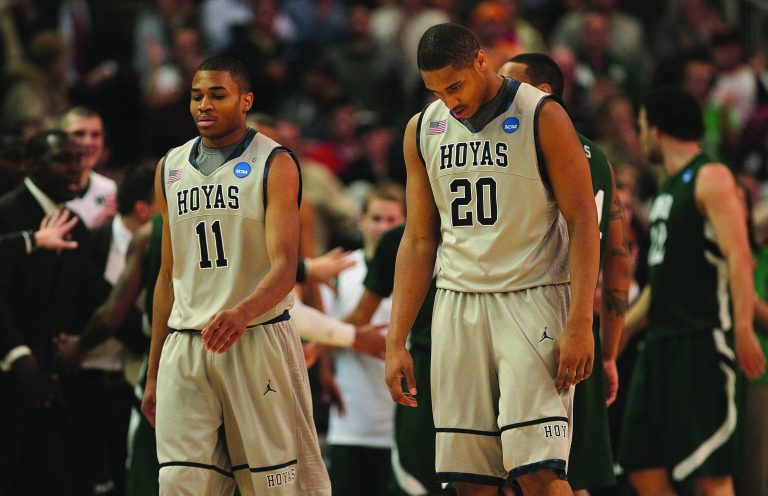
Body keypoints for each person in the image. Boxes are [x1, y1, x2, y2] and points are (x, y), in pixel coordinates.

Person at [385, 23, 600, 496]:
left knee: (539, 472)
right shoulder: (423, 129)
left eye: (455, 85)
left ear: (481, 60)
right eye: (436, 90)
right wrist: (396, 338)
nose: (448, 100)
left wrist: (581, 320)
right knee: (469, 479)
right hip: (457, 305)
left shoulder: (541, 114)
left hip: (533, 299)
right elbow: (419, 240)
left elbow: (584, 221)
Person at [140, 55, 330, 495]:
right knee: (180, 484)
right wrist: (152, 374)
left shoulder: (275, 162)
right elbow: (168, 276)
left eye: (217, 95)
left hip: (255, 337)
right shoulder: (169, 167)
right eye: (196, 96)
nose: (203, 105)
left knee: (273, 486)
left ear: (246, 100)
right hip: (186, 344)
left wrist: (241, 313)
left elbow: (285, 268)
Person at [618, 88, 766, 496]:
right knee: (642, 465)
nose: (642, 136)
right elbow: (660, 282)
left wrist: (742, 329)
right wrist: (621, 330)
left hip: (701, 341)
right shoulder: (668, 188)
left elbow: (739, 257)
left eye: (643, 126)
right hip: (660, 343)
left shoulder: (711, 176)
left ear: (658, 128)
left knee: (711, 475)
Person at [500, 53, 632, 495]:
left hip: (530, 318)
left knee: (532, 473)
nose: (497, 90)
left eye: (508, 82)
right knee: (576, 477)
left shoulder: (515, 145)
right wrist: (608, 349)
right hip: (579, 328)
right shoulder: (600, 158)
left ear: (542, 93)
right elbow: (618, 256)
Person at [0, 130, 110, 496]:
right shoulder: (7, 212)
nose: (76, 168)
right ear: (32, 165)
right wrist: (17, 356)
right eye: (63, 159)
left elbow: (97, 297)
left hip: (49, 385)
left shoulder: (73, 223)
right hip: (10, 378)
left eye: (79, 159)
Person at [320, 185, 405, 496]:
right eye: (376, 218)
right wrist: (350, 342)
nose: (383, 227)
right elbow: (322, 331)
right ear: (360, 220)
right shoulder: (342, 270)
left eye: (392, 220)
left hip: (398, 416)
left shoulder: (417, 269)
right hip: (351, 416)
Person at [60, 106, 118, 228]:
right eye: (79, 134)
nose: (88, 142)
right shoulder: (47, 189)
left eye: (95, 135)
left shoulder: (110, 190)